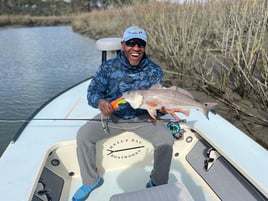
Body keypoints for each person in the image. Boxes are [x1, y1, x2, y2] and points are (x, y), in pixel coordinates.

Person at [72, 26, 185, 201]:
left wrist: (163, 108)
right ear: (123, 45)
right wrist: (101, 102)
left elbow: (156, 100)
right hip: (113, 118)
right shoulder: (107, 67)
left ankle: (157, 182)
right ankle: (90, 180)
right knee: (84, 135)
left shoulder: (154, 70)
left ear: (145, 47)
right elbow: (92, 93)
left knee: (165, 140)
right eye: (131, 43)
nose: (136, 48)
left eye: (141, 44)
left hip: (144, 118)